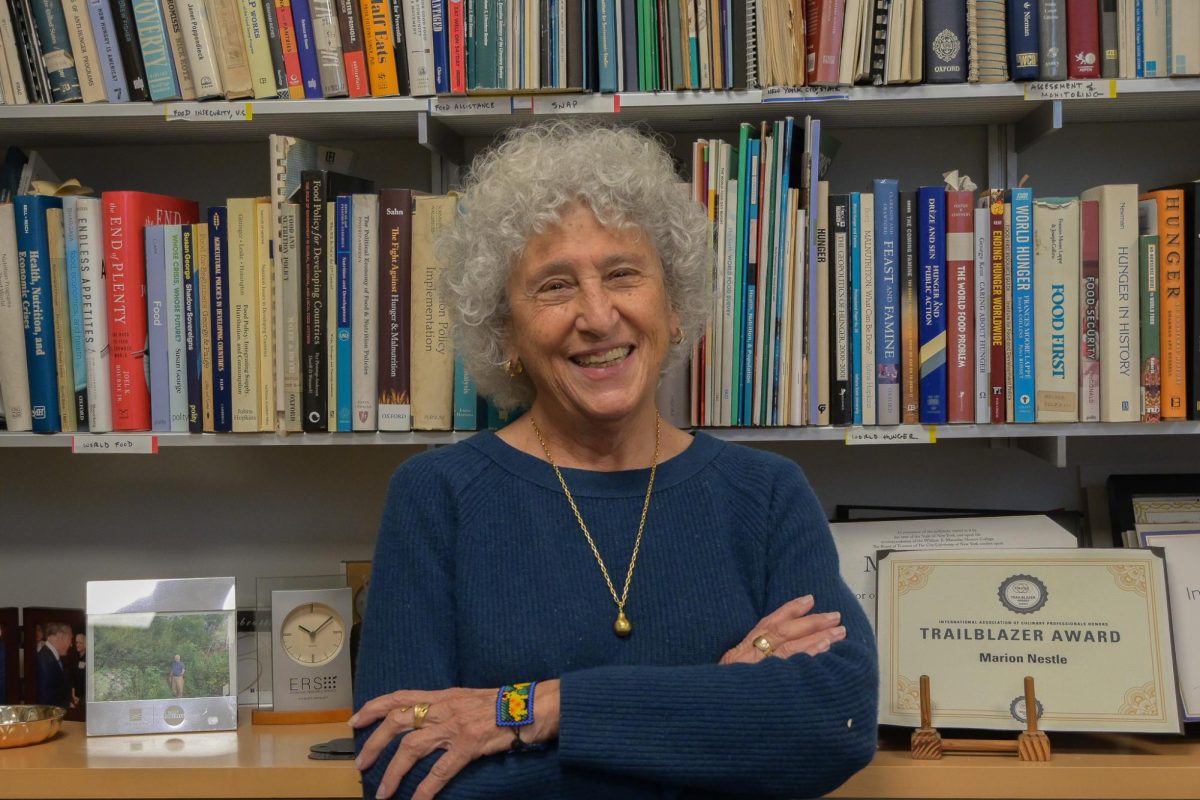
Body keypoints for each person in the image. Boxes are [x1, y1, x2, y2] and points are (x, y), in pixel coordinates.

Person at [352, 121, 878, 800]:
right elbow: (408, 773)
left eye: (623, 274)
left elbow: (835, 721)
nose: (598, 317)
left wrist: (530, 711)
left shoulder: (767, 494)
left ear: (674, 303)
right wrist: (724, 703)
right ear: (506, 329)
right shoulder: (436, 498)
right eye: (554, 286)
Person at [37, 622, 73, 709]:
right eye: (70, 639)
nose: (71, 644)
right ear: (61, 636)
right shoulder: (45, 660)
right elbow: (46, 702)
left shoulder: (49, 656)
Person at [72, 633, 87, 708]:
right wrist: (73, 695)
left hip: (84, 700)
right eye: (76, 642)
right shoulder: (75, 657)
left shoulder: (90, 659)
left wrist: (80, 700)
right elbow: (73, 678)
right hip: (75, 697)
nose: (77, 645)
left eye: (80, 643)